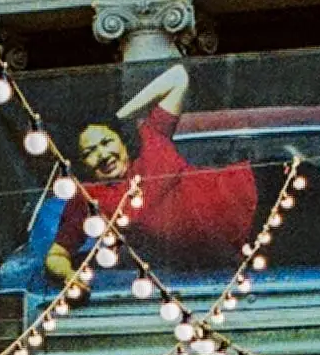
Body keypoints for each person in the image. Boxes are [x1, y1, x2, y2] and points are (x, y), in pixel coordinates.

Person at [45, 62, 260, 282]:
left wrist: (118, 117)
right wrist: (69, 276)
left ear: (122, 141)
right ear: (82, 163)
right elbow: (56, 255)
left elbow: (178, 77)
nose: (103, 154)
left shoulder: (152, 137)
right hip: (234, 248)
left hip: (260, 194)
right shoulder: (88, 197)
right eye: (90, 152)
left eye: (107, 141)